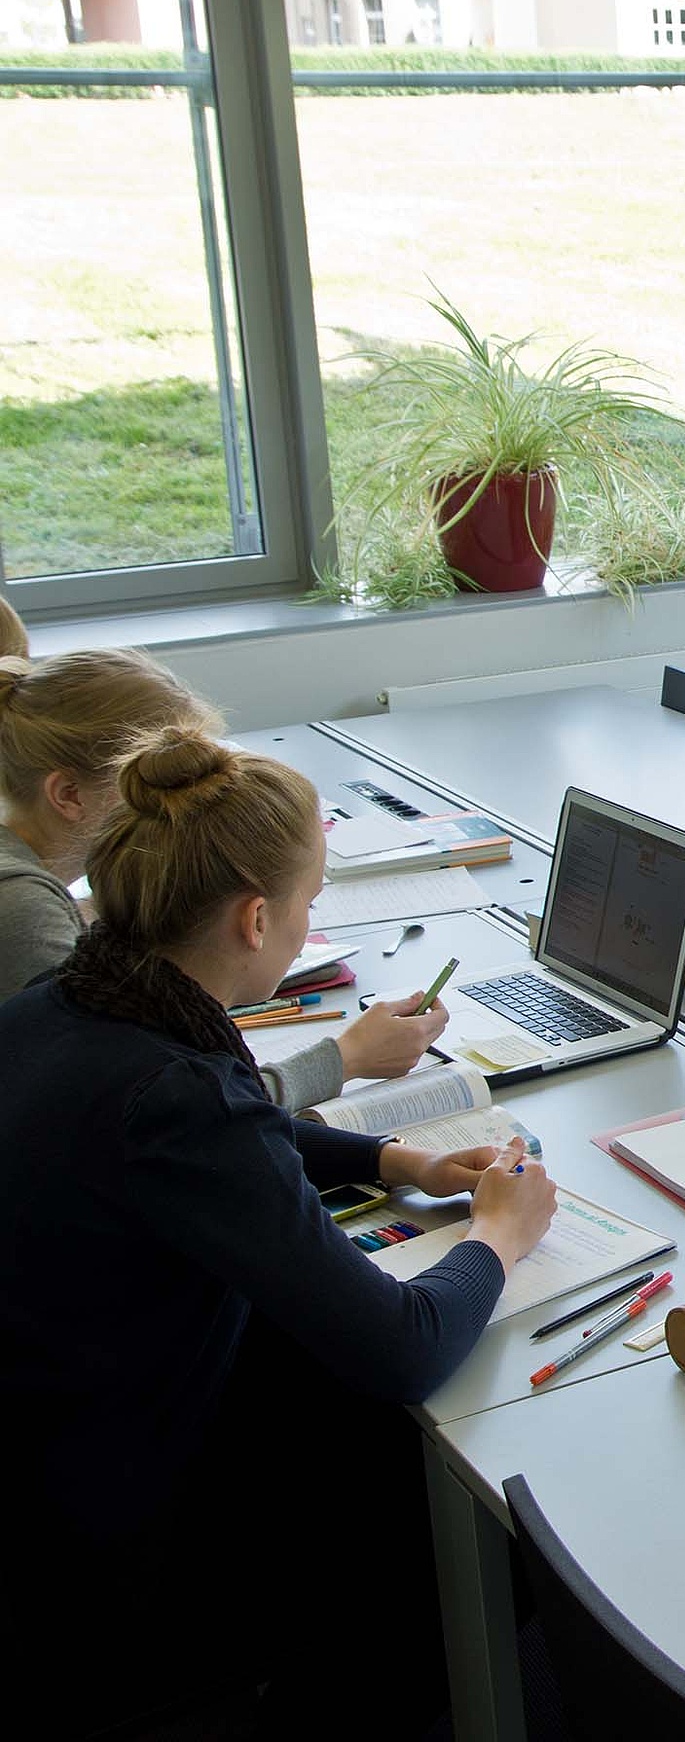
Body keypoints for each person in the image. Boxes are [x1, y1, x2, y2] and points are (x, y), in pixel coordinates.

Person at [0, 727, 557, 1737]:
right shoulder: (170, 1090)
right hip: (107, 1548)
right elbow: (402, 1347)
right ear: (256, 919)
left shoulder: (74, 1002)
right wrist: (498, 1236)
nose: (310, 922)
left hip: (45, 1457)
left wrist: (397, 1162)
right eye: (309, 902)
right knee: (452, 1494)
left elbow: (228, 1130)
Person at [0, 646, 448, 1110]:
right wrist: (346, 1058)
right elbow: (130, 1107)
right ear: (68, 794)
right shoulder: (21, 909)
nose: (193, 803)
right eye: (154, 778)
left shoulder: (29, 878)